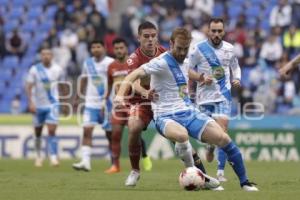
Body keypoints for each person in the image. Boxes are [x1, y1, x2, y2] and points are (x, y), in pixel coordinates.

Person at [115, 27, 258, 191]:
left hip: (189, 111)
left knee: (223, 138)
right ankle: (200, 177)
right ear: (171, 44)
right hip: (165, 115)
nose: (182, 52)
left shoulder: (186, 59)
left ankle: (245, 182)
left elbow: (187, 70)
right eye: (179, 48)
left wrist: (201, 78)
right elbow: (133, 75)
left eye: (185, 48)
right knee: (181, 135)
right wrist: (120, 95)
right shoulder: (160, 62)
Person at [121, 21, 218, 189]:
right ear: (138, 38)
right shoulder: (133, 59)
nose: (150, 40)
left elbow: (184, 70)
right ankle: (135, 170)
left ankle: (203, 177)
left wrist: (200, 78)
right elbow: (134, 81)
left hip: (165, 103)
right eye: (146, 36)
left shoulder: (166, 53)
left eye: (153, 36)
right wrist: (145, 93)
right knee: (134, 127)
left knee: (181, 140)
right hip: (143, 101)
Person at [188, 18, 241, 182]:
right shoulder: (198, 49)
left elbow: (235, 67)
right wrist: (200, 78)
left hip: (223, 96)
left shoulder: (230, 49)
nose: (216, 34)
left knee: (223, 132)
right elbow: (187, 69)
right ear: (208, 31)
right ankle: (210, 146)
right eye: (214, 31)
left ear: (223, 32)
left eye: (219, 31)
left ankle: (220, 172)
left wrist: (237, 78)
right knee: (210, 136)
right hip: (204, 98)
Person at [104, 37, 152, 174]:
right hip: (119, 104)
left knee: (134, 133)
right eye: (116, 48)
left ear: (126, 48)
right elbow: (109, 84)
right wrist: (105, 100)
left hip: (133, 102)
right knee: (116, 134)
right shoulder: (111, 66)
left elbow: (138, 81)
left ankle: (145, 156)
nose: (119, 50)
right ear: (113, 50)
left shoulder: (133, 63)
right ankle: (115, 165)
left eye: (121, 48)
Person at [72, 40, 114, 171]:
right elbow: (84, 79)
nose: (95, 49)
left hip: (107, 104)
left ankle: (114, 162)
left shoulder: (110, 63)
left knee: (110, 135)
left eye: (98, 46)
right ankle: (86, 162)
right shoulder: (87, 63)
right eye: (93, 47)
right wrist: (77, 96)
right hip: (90, 103)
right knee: (87, 131)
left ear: (104, 48)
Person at [25, 47, 66, 167]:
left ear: (52, 56)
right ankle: (38, 156)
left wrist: (63, 103)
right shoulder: (34, 69)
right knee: (38, 132)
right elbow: (29, 86)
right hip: (38, 106)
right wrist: (30, 102)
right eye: (43, 54)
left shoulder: (58, 69)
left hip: (53, 104)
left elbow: (62, 87)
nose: (46, 56)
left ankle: (53, 157)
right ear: (41, 56)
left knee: (52, 130)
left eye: (48, 54)